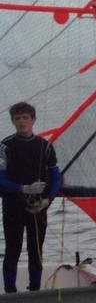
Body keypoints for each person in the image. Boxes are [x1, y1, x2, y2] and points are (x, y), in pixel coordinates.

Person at [0, 102, 62, 293]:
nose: (22, 122)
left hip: (37, 207)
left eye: (25, 118)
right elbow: (0, 179)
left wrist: (47, 200)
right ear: (12, 121)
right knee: (13, 250)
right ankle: (10, 292)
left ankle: (34, 289)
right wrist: (24, 188)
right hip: (13, 206)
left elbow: (56, 176)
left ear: (33, 120)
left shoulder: (45, 146)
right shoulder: (5, 146)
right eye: (17, 118)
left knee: (36, 250)